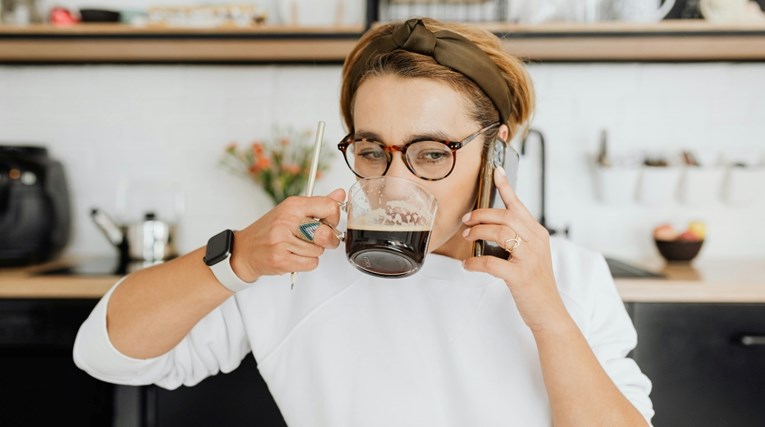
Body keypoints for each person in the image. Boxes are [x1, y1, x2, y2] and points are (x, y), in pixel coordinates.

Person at [74, 17, 653, 426]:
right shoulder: (293, 268)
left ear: (498, 151)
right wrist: (239, 258)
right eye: (374, 151)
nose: (395, 185)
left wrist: (547, 313)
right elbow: (106, 354)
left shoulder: (570, 278)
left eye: (432, 154)